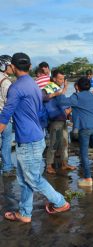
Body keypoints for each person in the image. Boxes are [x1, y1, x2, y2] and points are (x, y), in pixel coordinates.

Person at [0, 53, 70, 223]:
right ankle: (25, 213)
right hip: (35, 135)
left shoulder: (15, 88)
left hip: (28, 139)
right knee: (24, 179)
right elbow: (39, 110)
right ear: (30, 67)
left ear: (14, 67)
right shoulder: (33, 84)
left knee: (33, 178)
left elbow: (5, 115)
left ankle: (60, 202)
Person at [57, 77, 93, 187]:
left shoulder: (76, 96)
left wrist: (63, 90)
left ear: (77, 86)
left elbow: (62, 101)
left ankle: (88, 178)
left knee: (84, 153)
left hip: (85, 128)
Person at [42, 70, 76, 174]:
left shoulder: (58, 88)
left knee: (64, 143)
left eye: (63, 79)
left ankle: (64, 163)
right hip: (55, 119)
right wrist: (55, 94)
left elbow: (63, 100)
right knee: (54, 143)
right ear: (54, 78)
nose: (62, 81)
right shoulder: (47, 88)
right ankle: (49, 165)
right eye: (60, 79)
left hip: (62, 118)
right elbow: (42, 98)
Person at [0, 55, 15, 176]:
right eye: (10, 65)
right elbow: (9, 102)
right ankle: (7, 168)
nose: (12, 68)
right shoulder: (5, 82)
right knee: (6, 142)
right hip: (3, 115)